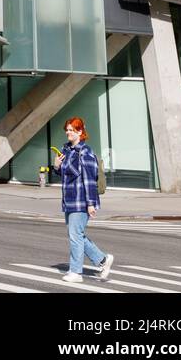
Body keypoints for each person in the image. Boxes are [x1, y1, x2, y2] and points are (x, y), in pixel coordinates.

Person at [53, 117, 113, 283]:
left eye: (72, 130)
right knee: (76, 235)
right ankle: (102, 260)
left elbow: (89, 180)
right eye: (67, 129)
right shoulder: (66, 150)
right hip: (69, 200)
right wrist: (57, 166)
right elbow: (65, 174)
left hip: (81, 200)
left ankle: (76, 272)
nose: (68, 132)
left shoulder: (85, 152)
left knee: (75, 235)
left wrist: (91, 204)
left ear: (80, 132)